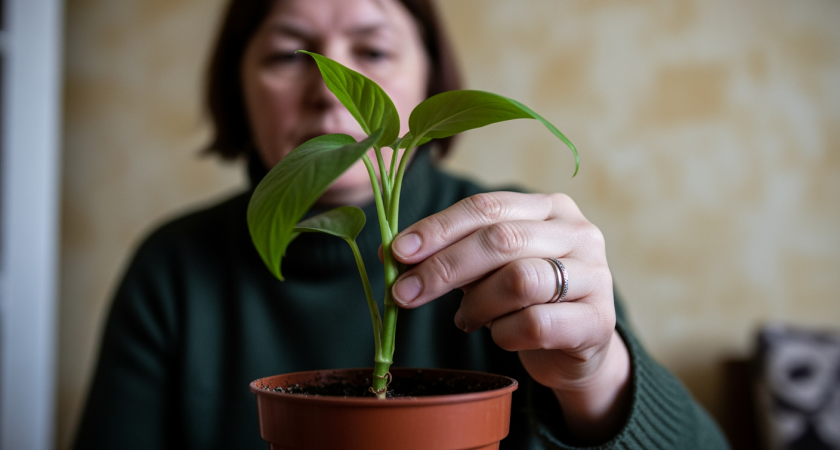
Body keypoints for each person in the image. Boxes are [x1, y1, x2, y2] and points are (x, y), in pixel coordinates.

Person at [73, 0, 729, 448]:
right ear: (236, 90)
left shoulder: (515, 252)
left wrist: (598, 379)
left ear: (428, 80)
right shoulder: (175, 268)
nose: (330, 87)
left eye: (373, 49)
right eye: (285, 55)